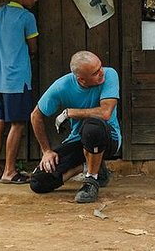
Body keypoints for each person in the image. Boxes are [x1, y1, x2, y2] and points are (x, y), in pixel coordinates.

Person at [29, 51, 121, 203]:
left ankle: (91, 181)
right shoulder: (62, 86)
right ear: (81, 79)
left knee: (92, 127)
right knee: (39, 182)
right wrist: (46, 151)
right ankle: (89, 166)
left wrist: (69, 113)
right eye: (95, 72)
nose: (101, 73)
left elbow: (105, 113)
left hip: (109, 138)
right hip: (79, 140)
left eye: (100, 67)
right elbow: (35, 115)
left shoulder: (110, 74)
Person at [0, 0, 40, 184]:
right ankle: (9, 171)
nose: (35, 0)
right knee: (17, 124)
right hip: (17, 79)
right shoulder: (27, 18)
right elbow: (33, 47)